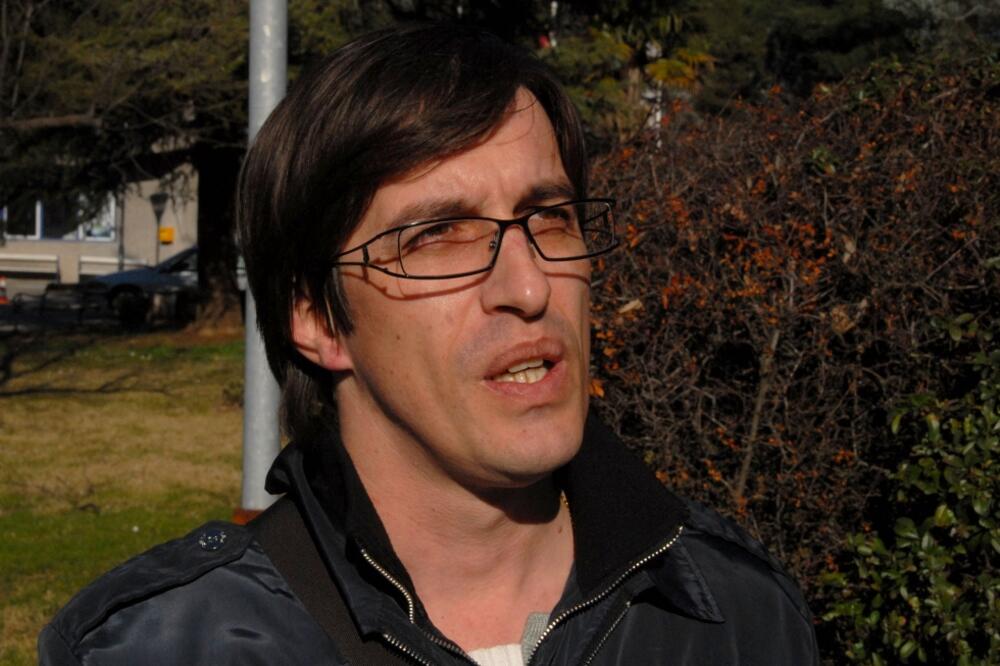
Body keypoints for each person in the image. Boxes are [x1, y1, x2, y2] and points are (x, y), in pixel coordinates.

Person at [39, 24, 819, 665]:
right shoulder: (166, 648)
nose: (529, 287)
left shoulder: (738, 617)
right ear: (316, 317)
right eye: (440, 235)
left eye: (549, 217)